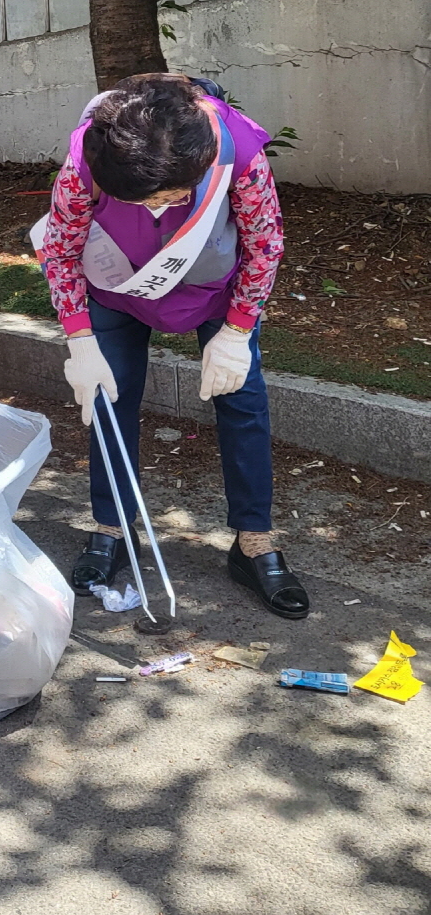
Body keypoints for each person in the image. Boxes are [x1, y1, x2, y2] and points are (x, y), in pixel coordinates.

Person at [41, 73, 308, 620]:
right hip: (116, 286)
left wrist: (237, 332)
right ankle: (112, 528)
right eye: (151, 199)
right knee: (107, 402)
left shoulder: (236, 152)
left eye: (174, 195)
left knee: (243, 399)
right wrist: (79, 339)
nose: (165, 208)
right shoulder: (87, 163)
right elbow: (62, 250)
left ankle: (254, 540)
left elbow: (265, 242)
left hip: (216, 290)